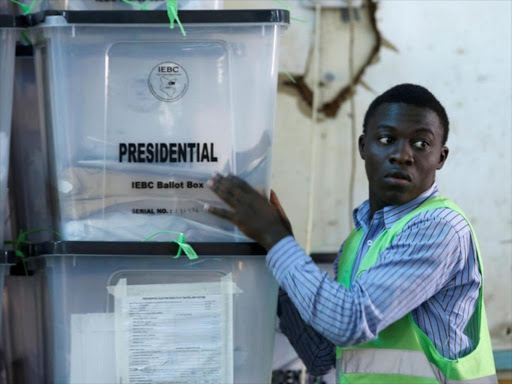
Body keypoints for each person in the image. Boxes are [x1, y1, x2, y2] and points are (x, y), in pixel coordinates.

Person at [205, 84, 497, 383]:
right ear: (363, 146)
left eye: (421, 144)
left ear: (441, 158)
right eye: (386, 139)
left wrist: (276, 239)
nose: (402, 155)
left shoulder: (440, 227)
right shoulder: (358, 241)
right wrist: (278, 254)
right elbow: (322, 357)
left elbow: (350, 320)